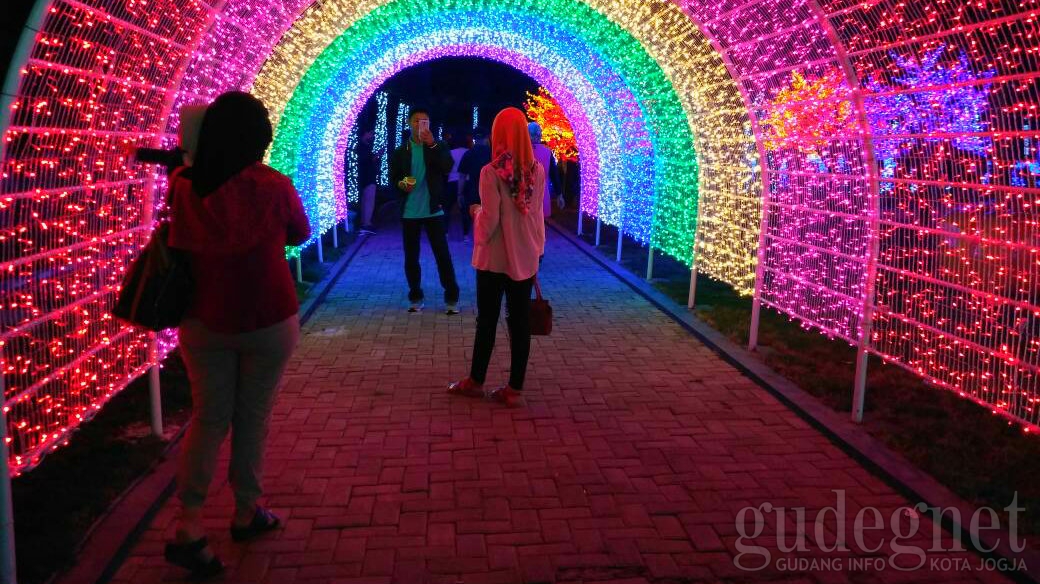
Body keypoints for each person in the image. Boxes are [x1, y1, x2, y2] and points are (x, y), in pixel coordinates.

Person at [163, 91, 310, 579]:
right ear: (259, 138)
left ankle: (188, 524)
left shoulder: (184, 186)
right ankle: (247, 510)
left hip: (204, 320)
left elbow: (178, 240)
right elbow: (299, 233)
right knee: (253, 417)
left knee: (208, 419)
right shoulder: (274, 186)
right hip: (268, 318)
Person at [447, 108, 546, 407]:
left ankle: (476, 380)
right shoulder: (537, 170)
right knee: (519, 323)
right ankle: (515, 389)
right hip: (525, 256)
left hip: (495, 260)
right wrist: (538, 248)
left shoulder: (491, 172)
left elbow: (489, 223)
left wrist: (475, 212)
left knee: (487, 320)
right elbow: (537, 213)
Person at [390, 108, 461, 314]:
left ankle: (451, 298)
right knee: (411, 257)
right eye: (418, 121)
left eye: (426, 121)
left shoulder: (438, 146)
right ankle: (415, 297)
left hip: (433, 210)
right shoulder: (401, 151)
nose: (422, 125)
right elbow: (394, 178)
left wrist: (432, 144)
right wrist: (402, 184)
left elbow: (447, 166)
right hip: (410, 211)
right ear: (410, 124)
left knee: (442, 255)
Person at [457, 129, 492, 242]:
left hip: (474, 189)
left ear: (475, 140)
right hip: (491, 190)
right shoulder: (493, 153)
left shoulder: (469, 153)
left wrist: (460, 193)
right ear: (487, 138)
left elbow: (462, 176)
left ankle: (473, 237)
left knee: (474, 214)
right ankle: (488, 237)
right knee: (490, 215)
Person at [528, 122, 563, 218]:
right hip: (542, 194)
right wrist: (559, 194)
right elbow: (554, 174)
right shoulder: (547, 152)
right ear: (540, 135)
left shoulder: (522, 150)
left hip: (524, 196)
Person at [443, 134, 470, 236]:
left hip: (452, 182)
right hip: (466, 182)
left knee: (447, 209)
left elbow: (445, 170)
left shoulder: (450, 153)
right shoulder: (468, 152)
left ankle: (446, 232)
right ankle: (466, 235)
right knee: (465, 210)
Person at [356, 129, 380, 235]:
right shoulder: (362, 146)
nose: (372, 135)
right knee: (369, 200)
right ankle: (366, 224)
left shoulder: (363, 145)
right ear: (364, 133)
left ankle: (366, 223)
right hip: (367, 176)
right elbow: (365, 161)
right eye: (370, 132)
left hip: (367, 176)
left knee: (367, 200)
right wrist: (375, 156)